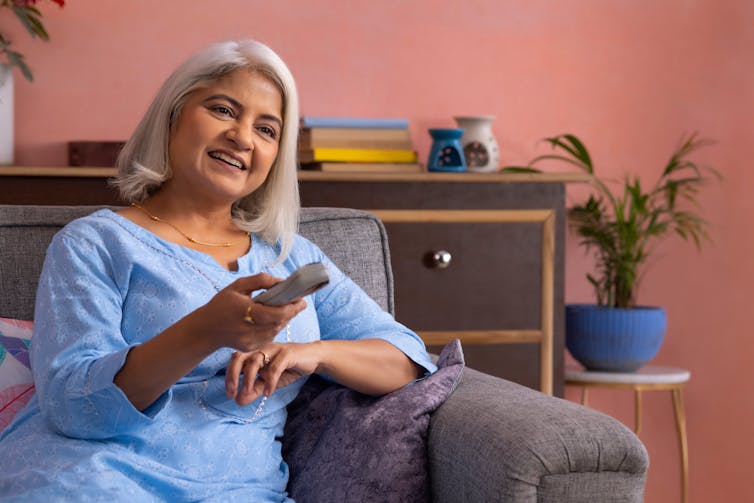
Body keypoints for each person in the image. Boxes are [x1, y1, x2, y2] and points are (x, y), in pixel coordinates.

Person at [0, 40, 435, 502]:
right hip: (95, 478)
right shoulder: (95, 243)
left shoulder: (291, 256)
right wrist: (205, 331)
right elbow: (72, 406)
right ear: (173, 115)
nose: (243, 138)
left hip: (240, 491)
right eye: (223, 110)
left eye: (266, 130)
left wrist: (312, 353)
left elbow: (407, 359)